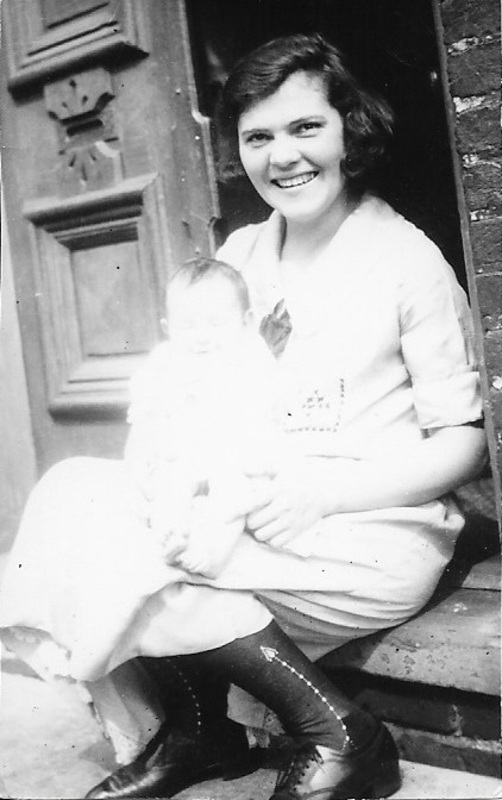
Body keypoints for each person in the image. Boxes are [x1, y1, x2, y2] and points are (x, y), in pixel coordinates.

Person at [0, 32, 487, 800]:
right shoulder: (244, 257)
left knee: (142, 556)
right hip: (247, 506)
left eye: (305, 128)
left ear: (348, 130)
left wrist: (323, 495)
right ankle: (207, 732)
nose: (283, 156)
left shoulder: (408, 262)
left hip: (364, 525)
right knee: (74, 497)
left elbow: (464, 443)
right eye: (259, 137)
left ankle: (338, 732)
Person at [126, 255, 295, 578]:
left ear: (246, 322)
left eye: (216, 324)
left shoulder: (251, 359)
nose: (202, 336)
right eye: (187, 326)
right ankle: (170, 536)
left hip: (233, 454)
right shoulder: (166, 362)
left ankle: (213, 553)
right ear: (167, 328)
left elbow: (271, 401)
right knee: (168, 489)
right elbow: (146, 411)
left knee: (231, 498)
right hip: (183, 454)